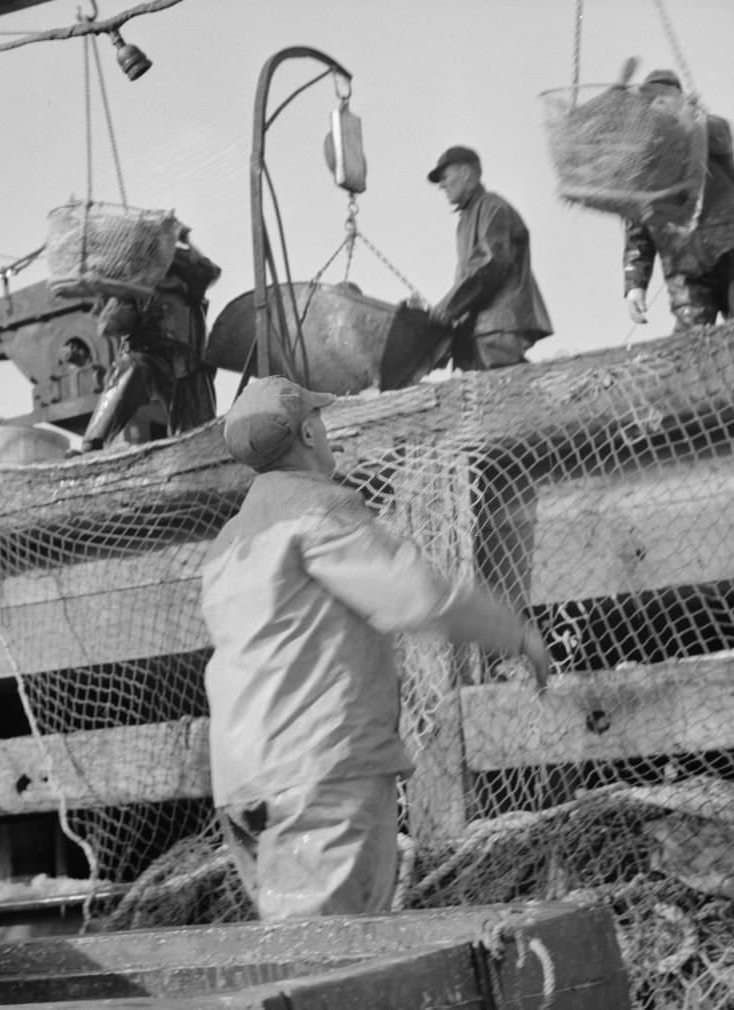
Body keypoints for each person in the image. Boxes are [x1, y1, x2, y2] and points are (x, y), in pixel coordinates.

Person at [201, 375, 550, 920]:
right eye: (319, 419)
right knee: (332, 957)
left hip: (242, 783)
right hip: (317, 772)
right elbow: (419, 598)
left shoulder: (228, 542)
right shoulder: (318, 510)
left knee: (292, 946)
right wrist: (517, 635)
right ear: (310, 436)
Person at [623, 69, 734, 331]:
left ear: (680, 99)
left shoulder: (708, 131)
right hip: (681, 264)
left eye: (663, 96)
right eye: (650, 99)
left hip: (730, 248)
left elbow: (718, 134)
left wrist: (689, 120)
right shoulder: (642, 164)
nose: (656, 103)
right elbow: (638, 231)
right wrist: (635, 285)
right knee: (690, 345)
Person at [80, 234, 220, 453]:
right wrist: (114, 296)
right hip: (150, 358)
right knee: (128, 369)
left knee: (197, 432)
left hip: (188, 361)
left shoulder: (187, 276)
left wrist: (186, 240)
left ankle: (197, 455)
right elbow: (109, 326)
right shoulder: (133, 286)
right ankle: (93, 442)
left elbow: (210, 272)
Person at [427, 146, 553, 370]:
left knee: (504, 391)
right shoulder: (468, 217)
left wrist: (449, 307)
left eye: (445, 177)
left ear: (466, 173)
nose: (442, 185)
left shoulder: (492, 207)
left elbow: (491, 264)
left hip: (496, 327)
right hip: (479, 329)